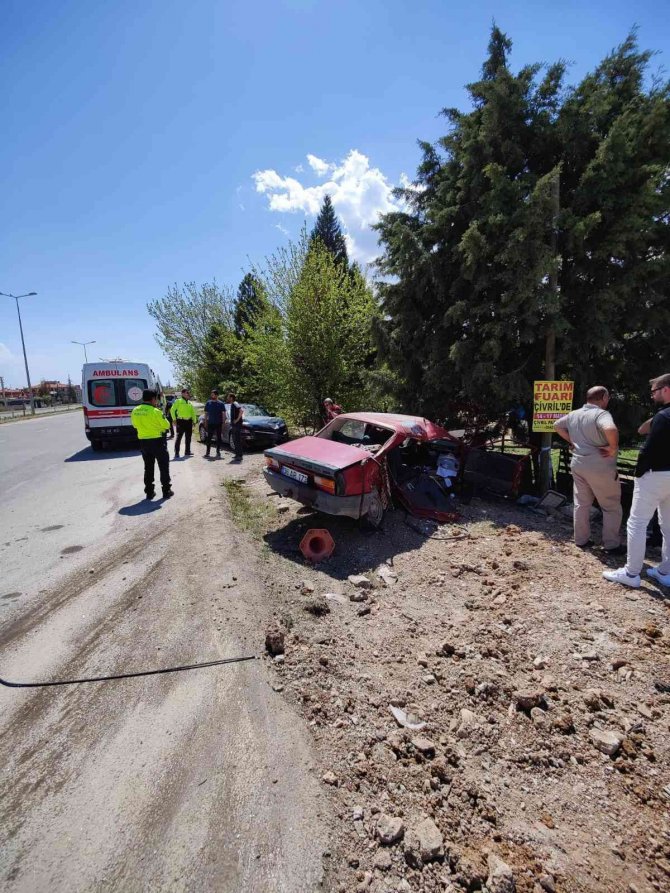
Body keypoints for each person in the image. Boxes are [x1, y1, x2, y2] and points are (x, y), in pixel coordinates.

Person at [603, 373, 670, 589]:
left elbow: (650, 446)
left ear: (666, 390)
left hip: (655, 474)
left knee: (637, 523)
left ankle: (631, 573)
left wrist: (639, 470)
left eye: (654, 391)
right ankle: (665, 571)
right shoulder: (661, 415)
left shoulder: (663, 417)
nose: (652, 396)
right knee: (668, 526)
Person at [554, 385, 623, 553]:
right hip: (600, 465)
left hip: (578, 463)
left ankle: (581, 540)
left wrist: (572, 441)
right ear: (604, 398)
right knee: (611, 506)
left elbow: (557, 425)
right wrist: (613, 447)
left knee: (581, 504)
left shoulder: (574, 414)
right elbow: (610, 428)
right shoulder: (601, 414)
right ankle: (612, 544)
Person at [131, 389, 173, 500]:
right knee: (163, 466)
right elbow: (167, 425)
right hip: (157, 441)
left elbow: (135, 425)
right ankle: (166, 490)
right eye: (156, 399)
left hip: (143, 442)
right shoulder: (156, 411)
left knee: (148, 467)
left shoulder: (135, 410)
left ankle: (149, 492)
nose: (156, 401)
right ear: (153, 399)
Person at [170, 388, 197, 458]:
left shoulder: (189, 403)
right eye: (186, 393)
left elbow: (193, 413)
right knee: (179, 437)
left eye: (188, 393)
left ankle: (187, 451)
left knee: (188, 437)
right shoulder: (178, 401)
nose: (188, 394)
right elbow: (172, 410)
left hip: (189, 421)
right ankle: (176, 453)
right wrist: (174, 419)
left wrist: (194, 421)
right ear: (182, 394)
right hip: (180, 421)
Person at [204, 389, 226, 458]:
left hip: (218, 423)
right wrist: (205, 422)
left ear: (216, 395)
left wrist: (223, 423)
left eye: (213, 394)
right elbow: (206, 414)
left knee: (219, 438)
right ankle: (207, 453)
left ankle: (218, 452)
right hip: (210, 423)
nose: (212, 395)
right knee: (209, 438)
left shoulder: (221, 404)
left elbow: (224, 414)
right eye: (211, 394)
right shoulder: (208, 403)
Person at [227, 391, 244, 460]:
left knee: (237, 440)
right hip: (234, 425)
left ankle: (239, 456)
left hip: (237, 425)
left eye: (228, 397)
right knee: (235, 440)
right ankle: (237, 454)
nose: (227, 398)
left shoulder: (235, 403)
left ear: (231, 398)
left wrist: (237, 420)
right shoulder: (232, 404)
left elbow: (241, 411)